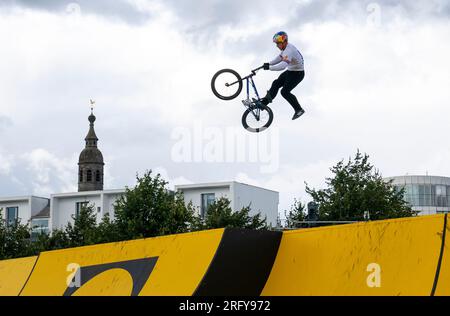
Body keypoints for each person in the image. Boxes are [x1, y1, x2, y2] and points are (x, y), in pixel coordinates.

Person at [261, 31, 305, 120]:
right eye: (276, 43)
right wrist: (269, 63)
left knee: (284, 92)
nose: (277, 45)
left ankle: (299, 109)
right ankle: (263, 104)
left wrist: (269, 68)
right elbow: (280, 58)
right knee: (276, 83)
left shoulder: (289, 50)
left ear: (284, 41)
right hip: (291, 71)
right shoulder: (285, 48)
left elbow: (282, 66)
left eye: (278, 43)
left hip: (298, 74)